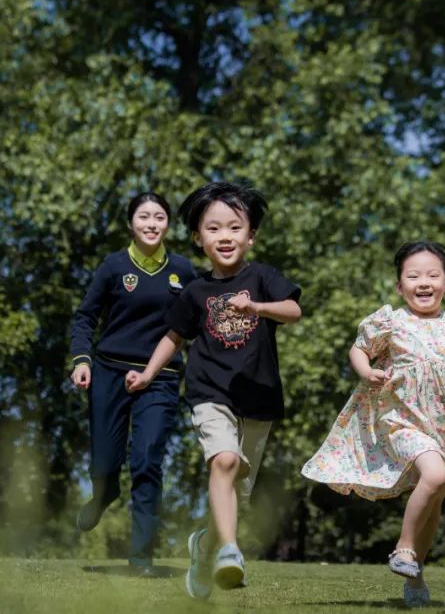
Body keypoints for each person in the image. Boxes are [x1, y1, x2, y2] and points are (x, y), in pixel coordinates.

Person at [126, 181, 302, 600]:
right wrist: (149, 374)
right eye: (214, 229)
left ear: (251, 235)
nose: (225, 236)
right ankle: (227, 549)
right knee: (223, 461)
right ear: (198, 238)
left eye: (235, 228)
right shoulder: (195, 292)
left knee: (236, 493)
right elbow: (174, 337)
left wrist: (257, 308)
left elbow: (294, 310)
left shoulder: (263, 278)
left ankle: (206, 546)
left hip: (259, 399)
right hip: (209, 392)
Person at [301, 241, 445, 607]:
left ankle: (416, 575)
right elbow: (359, 348)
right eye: (413, 276)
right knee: (435, 477)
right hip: (402, 419)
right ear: (399, 285)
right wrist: (366, 370)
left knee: (435, 499)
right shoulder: (392, 320)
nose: (423, 282)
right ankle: (403, 550)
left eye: (432, 275)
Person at [68, 192, 197, 577]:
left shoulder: (183, 271)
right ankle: (104, 491)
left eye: (160, 217)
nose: (152, 223)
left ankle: (141, 556)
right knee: (106, 460)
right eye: (144, 217)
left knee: (147, 461)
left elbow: (199, 321)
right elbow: (84, 318)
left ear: (168, 225)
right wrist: (82, 360)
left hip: (160, 378)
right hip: (108, 372)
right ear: (131, 223)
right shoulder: (113, 267)